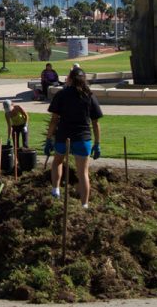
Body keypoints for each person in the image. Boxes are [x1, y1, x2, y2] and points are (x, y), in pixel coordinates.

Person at [44, 67, 103, 209]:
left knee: (57, 162)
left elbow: (54, 119)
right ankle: (84, 205)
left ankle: (56, 190)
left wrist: (48, 139)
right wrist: (97, 143)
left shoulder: (62, 95)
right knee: (83, 173)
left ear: (69, 79)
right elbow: (95, 123)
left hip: (63, 136)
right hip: (83, 139)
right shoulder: (89, 96)